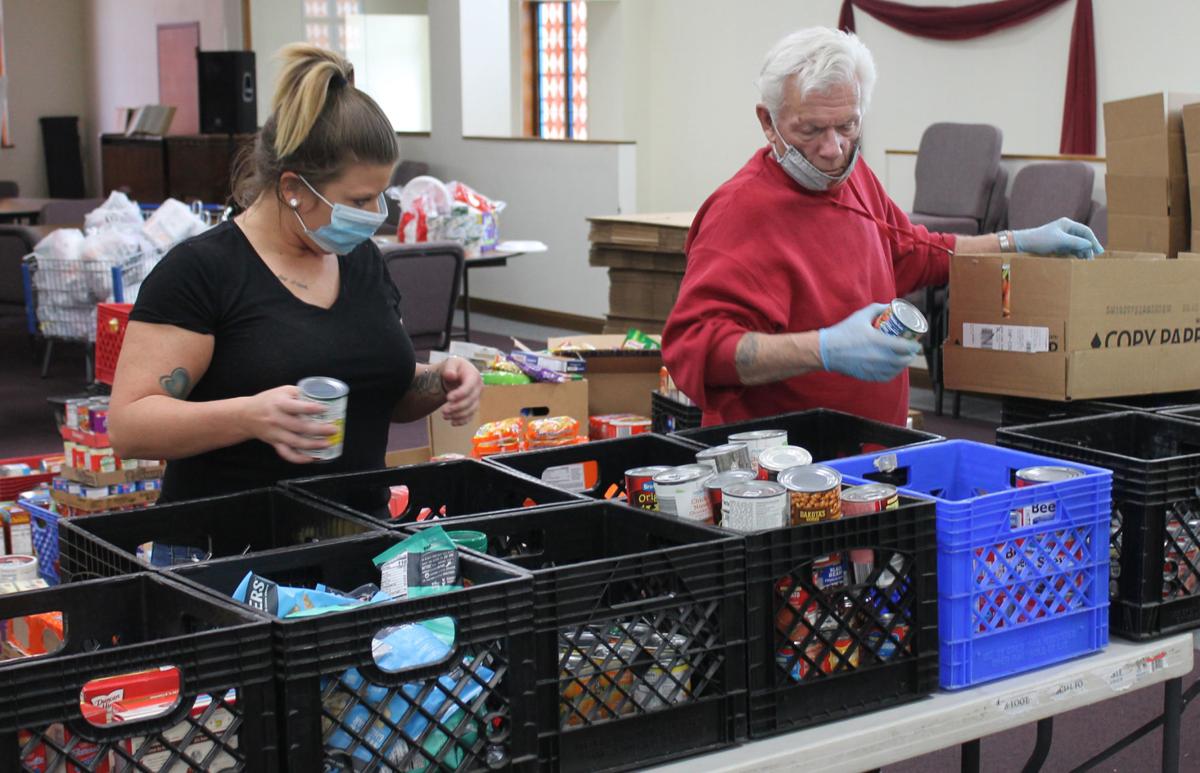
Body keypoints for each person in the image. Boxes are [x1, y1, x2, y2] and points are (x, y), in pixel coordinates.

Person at [661, 27, 1102, 428]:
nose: (833, 150)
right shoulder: (738, 213)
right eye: (810, 129)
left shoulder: (855, 180)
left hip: (871, 461)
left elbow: (916, 251)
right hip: (782, 475)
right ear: (767, 122)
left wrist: (1015, 243)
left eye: (848, 125)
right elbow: (694, 350)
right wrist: (824, 348)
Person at [108, 44, 481, 502]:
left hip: (358, 544)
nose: (375, 215)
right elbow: (129, 427)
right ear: (292, 189)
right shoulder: (201, 272)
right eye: (360, 201)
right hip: (230, 557)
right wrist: (249, 416)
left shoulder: (361, 261)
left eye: (381, 196)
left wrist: (438, 380)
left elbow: (383, 393)